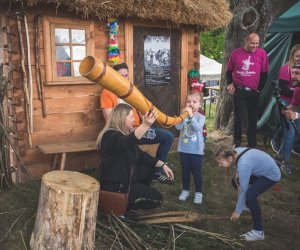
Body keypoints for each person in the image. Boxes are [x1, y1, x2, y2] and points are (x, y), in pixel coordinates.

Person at [100, 63, 175, 184]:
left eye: (126, 75)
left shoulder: (132, 89)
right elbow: (110, 120)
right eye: (121, 76)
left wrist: (145, 120)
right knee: (136, 149)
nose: (125, 78)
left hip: (139, 129)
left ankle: (157, 172)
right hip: (123, 134)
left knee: (168, 136)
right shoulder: (107, 92)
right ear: (114, 76)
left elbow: (141, 111)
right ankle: (141, 171)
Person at [97, 103, 174, 211]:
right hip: (116, 187)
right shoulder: (109, 135)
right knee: (157, 199)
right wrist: (145, 125)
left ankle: (138, 192)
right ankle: (124, 207)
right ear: (122, 118)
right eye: (131, 117)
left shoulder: (124, 135)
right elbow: (126, 143)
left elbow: (141, 155)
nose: (134, 120)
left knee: (150, 166)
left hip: (127, 179)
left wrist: (163, 165)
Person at [214, 144, 281, 242]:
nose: (219, 165)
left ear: (229, 158)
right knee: (235, 181)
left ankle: (258, 232)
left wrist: (237, 211)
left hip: (270, 175)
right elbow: (244, 163)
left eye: (220, 163)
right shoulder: (234, 152)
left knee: (250, 194)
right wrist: (238, 171)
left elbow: (243, 190)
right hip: (260, 170)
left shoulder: (244, 164)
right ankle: (249, 206)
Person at [226, 32, 269, 148]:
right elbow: (229, 71)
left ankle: (252, 143)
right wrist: (230, 83)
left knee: (252, 118)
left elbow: (265, 73)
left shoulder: (262, 53)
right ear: (246, 41)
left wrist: (259, 89)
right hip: (239, 90)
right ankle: (237, 141)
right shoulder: (236, 53)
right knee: (238, 116)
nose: (255, 46)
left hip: (254, 91)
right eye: (252, 43)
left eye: (257, 43)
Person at [175, 91, 205, 204]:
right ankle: (185, 190)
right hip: (184, 150)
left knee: (196, 172)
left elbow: (197, 128)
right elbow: (178, 127)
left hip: (196, 151)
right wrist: (182, 117)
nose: (191, 104)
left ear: (200, 104)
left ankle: (198, 192)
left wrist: (191, 115)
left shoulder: (201, 117)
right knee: (185, 171)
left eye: (194, 102)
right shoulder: (184, 116)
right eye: (189, 102)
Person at [271, 44, 300, 160]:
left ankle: (280, 151)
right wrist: (297, 91)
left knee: (293, 130)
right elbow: (283, 90)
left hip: (296, 105)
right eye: (297, 56)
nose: (299, 58)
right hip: (284, 103)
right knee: (290, 131)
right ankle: (284, 161)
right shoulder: (286, 68)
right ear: (292, 56)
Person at [278, 64, 300, 174]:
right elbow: (294, 106)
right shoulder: (296, 90)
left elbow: (296, 113)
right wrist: (285, 109)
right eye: (292, 73)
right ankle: (282, 157)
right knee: (293, 131)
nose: (293, 76)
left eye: (297, 73)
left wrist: (296, 115)